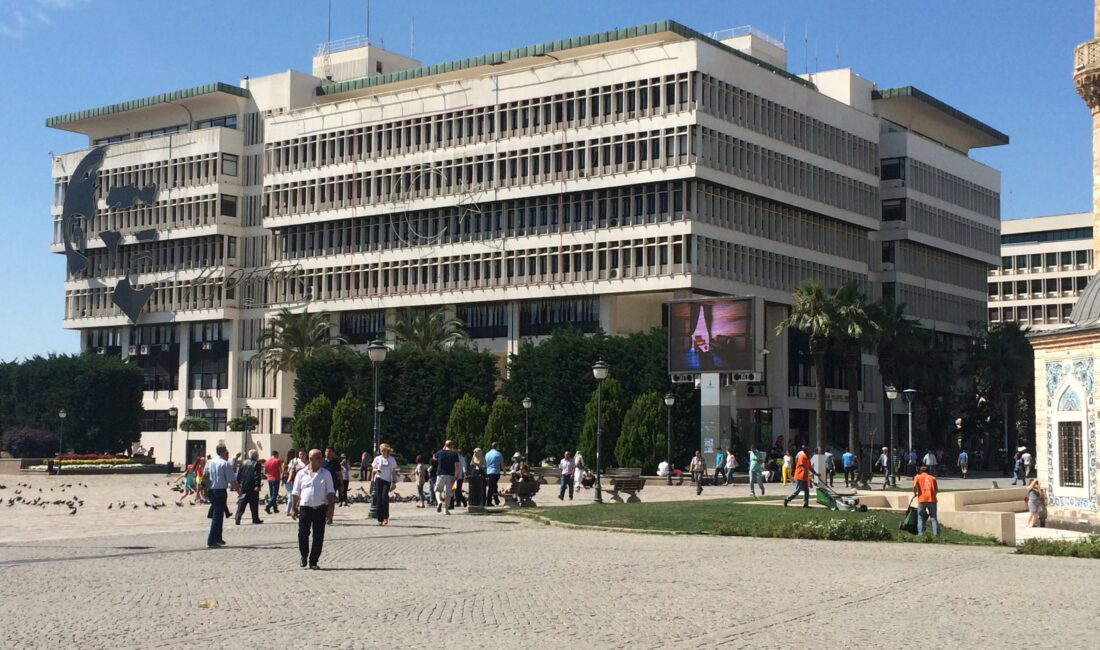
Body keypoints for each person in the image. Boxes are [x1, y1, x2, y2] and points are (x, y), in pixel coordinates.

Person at [290, 448, 335, 569]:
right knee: (303, 534)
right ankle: (304, 555)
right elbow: (295, 492)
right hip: (305, 507)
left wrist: (331, 508)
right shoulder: (301, 474)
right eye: (318, 458)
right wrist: (294, 508)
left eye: (321, 457)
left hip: (320, 508)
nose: (321, 460)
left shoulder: (326, 474)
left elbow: (331, 492)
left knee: (318, 536)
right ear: (310, 459)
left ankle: (313, 561)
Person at [203, 443, 240, 548]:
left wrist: (204, 490)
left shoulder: (209, 462)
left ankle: (218, 538)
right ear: (224, 452)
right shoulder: (225, 464)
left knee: (218, 514)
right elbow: (232, 480)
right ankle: (211, 540)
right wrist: (239, 492)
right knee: (217, 516)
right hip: (220, 491)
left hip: (211, 490)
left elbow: (205, 476)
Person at [371, 443, 399, 525]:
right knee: (379, 499)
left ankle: (386, 516)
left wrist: (394, 482)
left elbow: (393, 472)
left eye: (384, 451)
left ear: (387, 451)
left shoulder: (391, 459)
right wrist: (376, 471)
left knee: (384, 498)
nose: (382, 452)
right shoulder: (377, 459)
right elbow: (373, 469)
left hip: (387, 480)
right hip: (379, 479)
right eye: (381, 451)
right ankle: (380, 519)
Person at [234, 449, 264, 525]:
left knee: (242, 502)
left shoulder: (243, 463)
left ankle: (238, 517)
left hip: (244, 485)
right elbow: (257, 475)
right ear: (255, 456)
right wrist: (257, 485)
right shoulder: (257, 464)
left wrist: (239, 484)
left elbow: (239, 475)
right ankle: (255, 518)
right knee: (254, 503)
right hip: (252, 486)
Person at [434, 440, 461, 514]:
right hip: (451, 474)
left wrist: (443, 449)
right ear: (452, 446)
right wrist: (457, 475)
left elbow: (434, 458)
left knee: (438, 490)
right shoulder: (454, 454)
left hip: (440, 474)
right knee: (448, 493)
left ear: (445, 445)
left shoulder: (440, 452)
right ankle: (445, 509)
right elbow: (457, 466)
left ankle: (439, 501)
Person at [912, 465, 939, 536]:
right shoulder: (933, 478)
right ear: (928, 471)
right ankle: (936, 534)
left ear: (920, 471)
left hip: (922, 499)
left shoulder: (917, 477)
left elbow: (914, 486)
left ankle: (920, 533)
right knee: (933, 518)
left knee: (920, 517)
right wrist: (934, 495)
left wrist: (915, 493)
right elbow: (936, 490)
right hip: (932, 499)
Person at [285, 449, 307, 518]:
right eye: (300, 454)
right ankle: (295, 510)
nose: (302, 455)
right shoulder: (295, 461)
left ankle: (301, 510)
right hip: (296, 481)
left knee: (303, 497)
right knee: (296, 496)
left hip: (306, 482)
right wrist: (289, 478)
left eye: (303, 454)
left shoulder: (309, 462)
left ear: (306, 454)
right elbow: (290, 470)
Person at [485, 442, 503, 506]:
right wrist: (505, 471)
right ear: (497, 446)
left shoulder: (487, 454)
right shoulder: (498, 454)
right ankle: (489, 501)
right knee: (491, 487)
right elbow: (502, 463)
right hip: (496, 472)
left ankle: (496, 500)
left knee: (494, 486)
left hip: (489, 472)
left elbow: (486, 463)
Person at [264, 450, 281, 515]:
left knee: (271, 494)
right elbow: (280, 470)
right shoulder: (277, 460)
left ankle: (275, 508)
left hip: (269, 479)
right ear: (276, 455)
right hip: (276, 478)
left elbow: (265, 471)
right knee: (275, 495)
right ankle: (268, 506)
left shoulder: (267, 461)